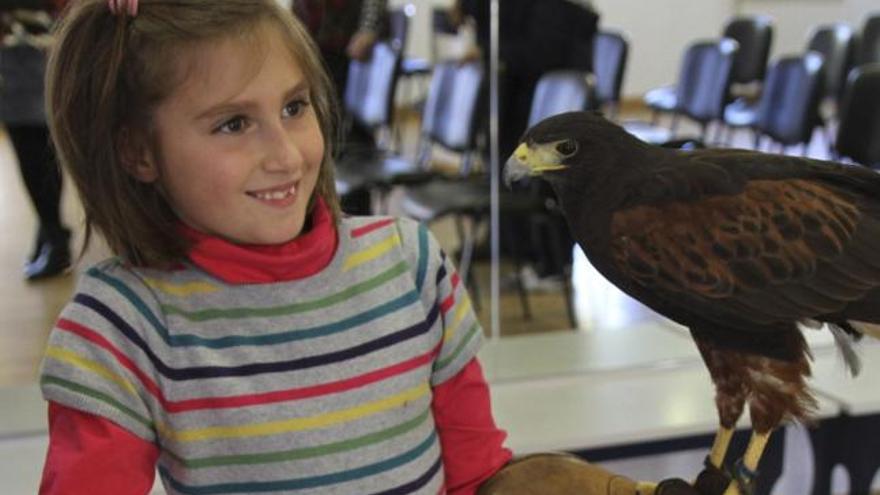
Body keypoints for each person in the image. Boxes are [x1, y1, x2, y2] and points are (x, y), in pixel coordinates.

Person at [37, 1, 512, 493]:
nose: (286, 155)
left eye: (294, 107)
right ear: (137, 151)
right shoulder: (124, 325)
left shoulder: (411, 266)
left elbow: (477, 474)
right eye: (234, 124)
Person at [1, 0, 71, 280]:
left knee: (38, 145)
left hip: (47, 38)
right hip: (18, 46)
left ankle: (53, 234)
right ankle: (51, 231)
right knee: (32, 145)